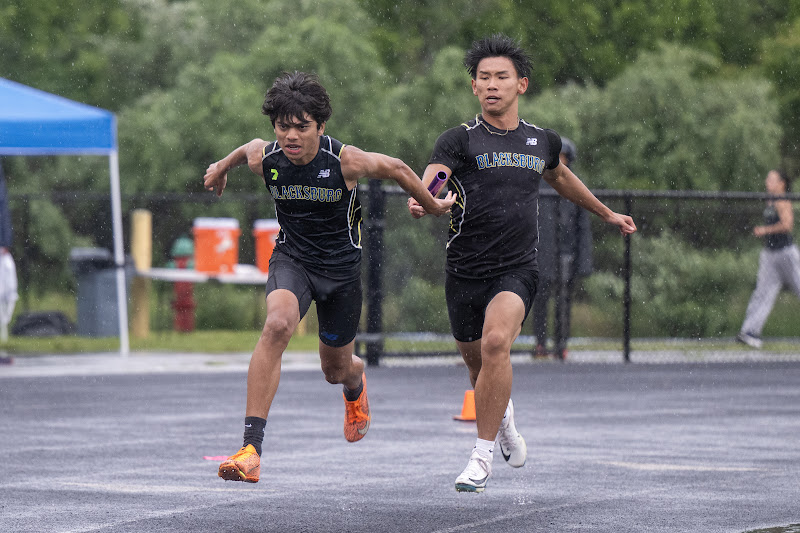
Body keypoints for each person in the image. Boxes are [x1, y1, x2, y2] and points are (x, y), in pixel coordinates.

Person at [408, 34, 637, 493]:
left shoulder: (541, 141)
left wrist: (607, 212)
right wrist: (423, 200)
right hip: (464, 270)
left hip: (517, 268)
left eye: (501, 77)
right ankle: (504, 420)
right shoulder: (458, 139)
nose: (492, 85)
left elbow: (562, 178)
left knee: (497, 345)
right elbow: (432, 181)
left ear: (522, 84)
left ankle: (480, 457)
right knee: (479, 368)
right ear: (474, 87)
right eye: (484, 78)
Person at [203, 71, 455, 484]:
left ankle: (355, 381)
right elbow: (247, 149)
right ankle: (251, 449)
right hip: (293, 260)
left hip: (340, 273)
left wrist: (432, 205)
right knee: (278, 324)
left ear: (321, 126)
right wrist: (219, 168)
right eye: (282, 127)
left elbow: (396, 167)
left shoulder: (345, 160)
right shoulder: (267, 159)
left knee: (334, 370)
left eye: (301, 127)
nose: (290, 136)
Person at [531, 137, 593, 360]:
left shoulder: (576, 187)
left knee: (564, 303)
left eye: (563, 158)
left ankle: (561, 345)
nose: (559, 162)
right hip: (541, 254)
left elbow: (582, 228)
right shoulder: (536, 184)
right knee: (540, 301)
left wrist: (583, 261)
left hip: (566, 254)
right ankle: (540, 344)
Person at [736, 169, 800, 349]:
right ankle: (749, 332)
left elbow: (787, 225)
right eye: (768, 178)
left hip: (786, 253)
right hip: (770, 255)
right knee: (763, 292)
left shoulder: (782, 200)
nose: (767, 181)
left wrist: (765, 230)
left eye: (772, 179)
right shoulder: (769, 200)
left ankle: (750, 331)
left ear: (782, 184)